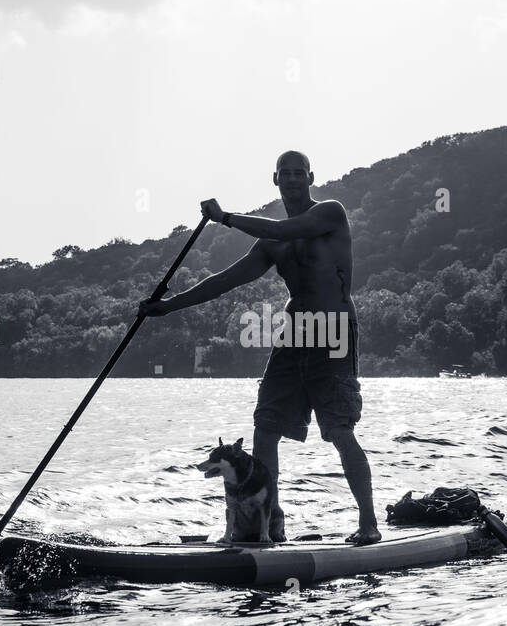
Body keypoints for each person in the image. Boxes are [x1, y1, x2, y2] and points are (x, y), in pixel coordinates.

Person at [138, 151, 381, 545]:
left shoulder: (330, 214)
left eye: (299, 173)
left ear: (311, 177)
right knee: (265, 428)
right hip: (294, 334)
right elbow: (224, 280)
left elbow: (288, 231)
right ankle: (271, 526)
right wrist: (167, 307)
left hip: (335, 330)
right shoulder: (270, 243)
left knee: (338, 429)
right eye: (284, 174)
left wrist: (226, 218)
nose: (292, 179)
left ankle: (368, 524)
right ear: (275, 180)